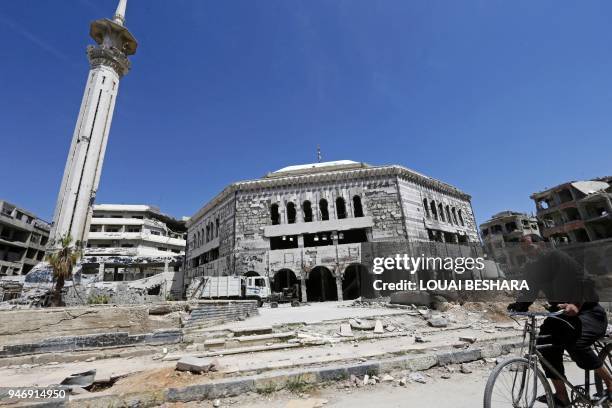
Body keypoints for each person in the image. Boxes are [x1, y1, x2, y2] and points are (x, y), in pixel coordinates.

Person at [507, 234, 611, 407]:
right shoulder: (533, 268)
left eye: (530, 248)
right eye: (524, 251)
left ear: (541, 244)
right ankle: (561, 397)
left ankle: (610, 382)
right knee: (544, 345)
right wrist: (518, 307)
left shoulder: (558, 257)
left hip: (589, 312)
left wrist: (576, 304)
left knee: (576, 342)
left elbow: (585, 280)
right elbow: (529, 291)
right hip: (561, 315)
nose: (528, 253)